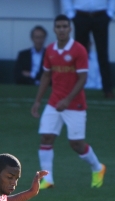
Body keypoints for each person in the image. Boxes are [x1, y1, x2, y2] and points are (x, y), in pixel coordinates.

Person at [30, 15, 106, 189]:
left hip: (75, 105)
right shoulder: (50, 50)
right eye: (58, 26)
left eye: (65, 26)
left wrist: (68, 99)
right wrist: (37, 101)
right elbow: (46, 75)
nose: (62, 29)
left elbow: (83, 78)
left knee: (76, 144)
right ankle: (47, 179)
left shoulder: (79, 50)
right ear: (54, 29)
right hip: (54, 102)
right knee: (46, 137)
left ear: (70, 29)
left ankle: (97, 167)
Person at [62, 0, 115, 98]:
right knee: (79, 54)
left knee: (102, 53)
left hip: (100, 17)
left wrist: (110, 14)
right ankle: (76, 88)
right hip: (81, 17)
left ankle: (107, 89)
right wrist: (71, 15)